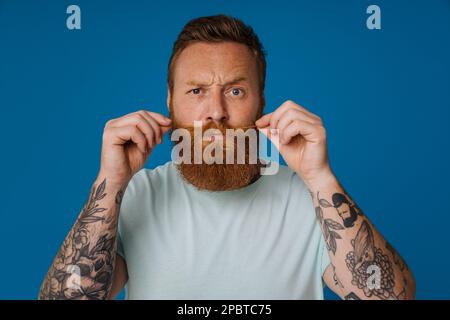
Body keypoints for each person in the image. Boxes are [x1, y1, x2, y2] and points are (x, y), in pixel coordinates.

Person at [39, 15, 415, 300]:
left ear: (261, 103)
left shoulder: (308, 198)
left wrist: (320, 178)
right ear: (170, 103)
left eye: (235, 91)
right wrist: (111, 182)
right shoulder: (136, 194)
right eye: (197, 90)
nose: (215, 111)